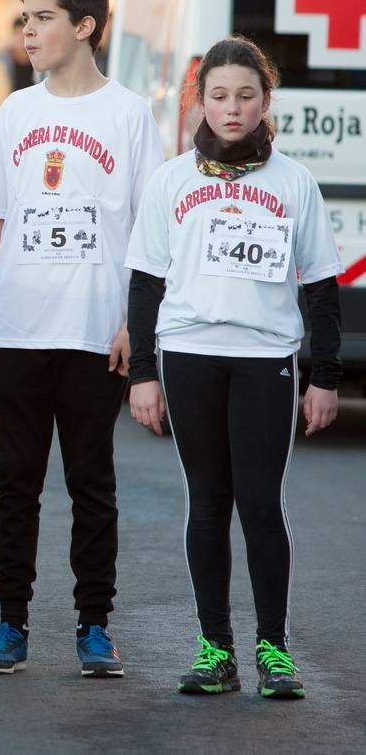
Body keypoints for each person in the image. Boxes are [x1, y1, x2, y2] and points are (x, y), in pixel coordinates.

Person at [0, 0, 163, 677]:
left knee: (91, 483)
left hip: (92, 329)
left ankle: (93, 626)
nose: (26, 31)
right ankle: (8, 623)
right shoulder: (16, 112)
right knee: (15, 481)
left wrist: (136, 324)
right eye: (21, 18)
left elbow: (149, 231)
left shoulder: (129, 114)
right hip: (18, 324)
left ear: (83, 26)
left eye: (40, 17)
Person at [125, 36, 341, 700]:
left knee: (258, 502)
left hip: (263, 359)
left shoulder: (293, 182)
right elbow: (144, 281)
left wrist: (324, 375)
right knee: (207, 500)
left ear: (264, 101)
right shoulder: (170, 180)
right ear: (199, 100)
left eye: (245, 95)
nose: (231, 107)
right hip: (187, 353)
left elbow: (321, 287)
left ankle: (274, 650)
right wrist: (142, 372)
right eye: (218, 95)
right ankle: (213, 648)